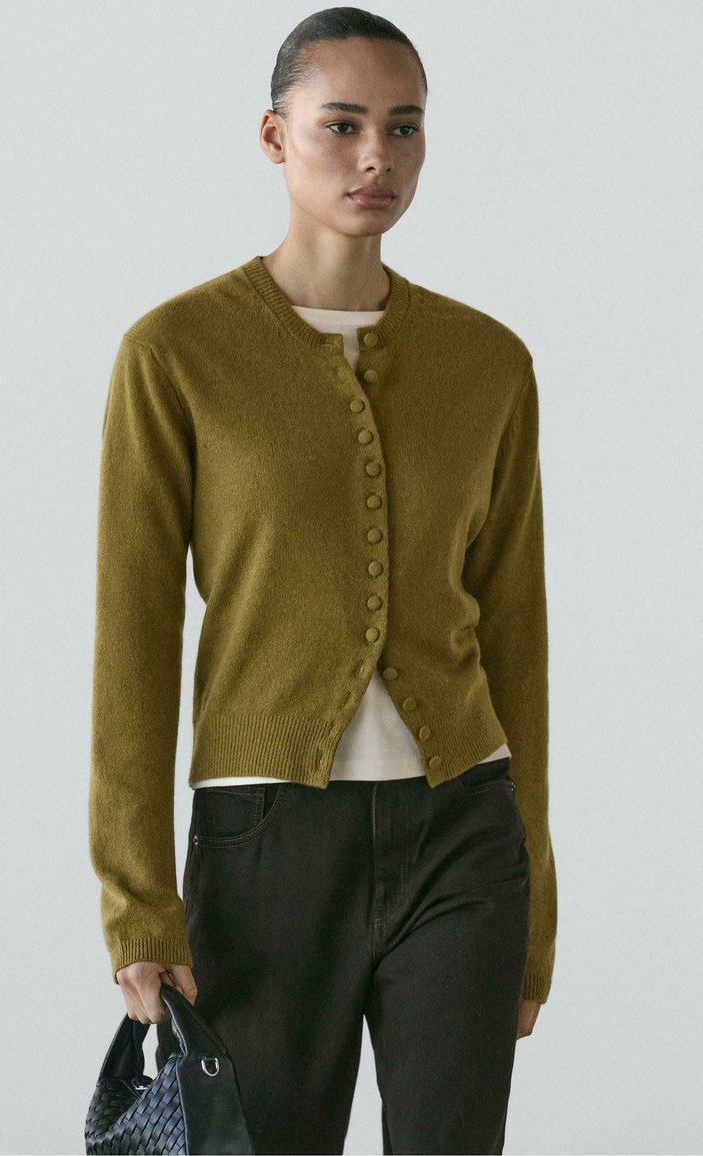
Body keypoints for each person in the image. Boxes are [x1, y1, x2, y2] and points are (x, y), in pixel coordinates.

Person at [89, 8, 558, 1154]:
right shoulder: (176, 353)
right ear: (273, 136)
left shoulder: (486, 363)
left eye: (402, 127)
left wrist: (534, 904)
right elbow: (133, 637)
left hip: (461, 834)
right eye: (340, 124)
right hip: (264, 846)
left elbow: (516, 640)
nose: (374, 156)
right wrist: (138, 900)